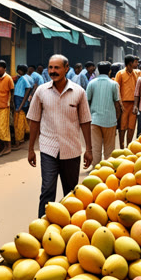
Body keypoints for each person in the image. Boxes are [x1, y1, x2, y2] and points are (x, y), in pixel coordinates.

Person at [27, 54, 92, 218]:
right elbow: (34, 120)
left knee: (71, 193)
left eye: (56, 68)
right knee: (47, 189)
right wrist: (30, 149)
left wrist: (89, 150)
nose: (53, 71)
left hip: (72, 149)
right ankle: (41, 225)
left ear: (66, 68)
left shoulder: (79, 92)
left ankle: (69, 226)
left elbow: (85, 121)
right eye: (50, 68)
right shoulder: (41, 91)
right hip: (48, 149)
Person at [86, 61, 121, 167]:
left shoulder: (91, 83)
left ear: (98, 70)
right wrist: (117, 119)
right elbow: (117, 104)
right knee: (109, 149)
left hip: (95, 120)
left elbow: (86, 102)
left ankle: (96, 170)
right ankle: (107, 170)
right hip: (110, 120)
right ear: (110, 71)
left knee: (95, 148)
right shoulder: (114, 84)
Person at [115, 54, 141, 149]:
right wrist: (120, 104)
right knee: (122, 127)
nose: (136, 64)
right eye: (135, 62)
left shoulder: (137, 74)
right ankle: (122, 146)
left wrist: (137, 104)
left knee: (131, 127)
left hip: (133, 104)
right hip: (123, 105)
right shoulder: (120, 74)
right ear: (129, 64)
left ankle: (128, 146)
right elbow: (117, 89)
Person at [0, 60, 15, 156]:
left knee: (2, 128)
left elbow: (12, 91)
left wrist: (12, 105)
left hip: (5, 106)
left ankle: (8, 147)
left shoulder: (8, 78)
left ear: (4, 68)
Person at [13, 64, 33, 150]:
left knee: (18, 122)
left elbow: (28, 88)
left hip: (20, 99)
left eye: (18, 69)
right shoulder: (24, 77)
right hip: (19, 99)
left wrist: (21, 105)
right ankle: (24, 136)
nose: (17, 71)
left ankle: (19, 140)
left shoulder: (24, 78)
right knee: (22, 120)